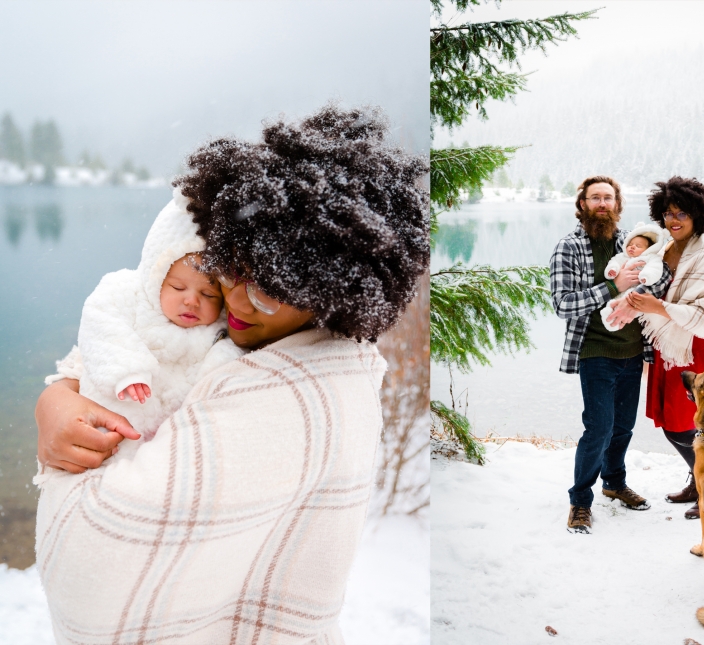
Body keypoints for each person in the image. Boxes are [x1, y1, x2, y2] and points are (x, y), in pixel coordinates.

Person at [33, 103, 429, 645]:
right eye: (232, 268)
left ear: (329, 292)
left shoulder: (290, 395)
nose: (236, 299)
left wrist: (60, 465)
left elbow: (98, 563)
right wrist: (59, 395)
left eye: (268, 290)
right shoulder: (271, 340)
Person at [37, 191, 245, 465]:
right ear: (156, 277)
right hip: (119, 421)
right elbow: (102, 321)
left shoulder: (221, 333)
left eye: (209, 295)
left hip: (171, 445)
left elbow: (223, 367)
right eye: (178, 287)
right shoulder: (130, 296)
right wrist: (127, 370)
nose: (192, 301)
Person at [550, 175, 671, 534]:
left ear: (617, 206)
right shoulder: (568, 247)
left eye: (608, 198)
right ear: (582, 205)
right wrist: (611, 287)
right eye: (594, 198)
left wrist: (648, 283)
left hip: (633, 351)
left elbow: (660, 277)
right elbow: (562, 305)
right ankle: (580, 501)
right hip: (595, 351)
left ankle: (614, 483)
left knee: (622, 427)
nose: (602, 204)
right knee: (598, 427)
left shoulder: (632, 245)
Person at [626, 176, 704, 520]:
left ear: (697, 216)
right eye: (667, 213)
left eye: (681, 213)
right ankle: (700, 478)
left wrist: (656, 309)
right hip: (672, 345)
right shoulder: (660, 250)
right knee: (675, 424)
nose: (673, 220)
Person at [600, 221, 668, 332]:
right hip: (619, 291)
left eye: (638, 246)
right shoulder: (622, 256)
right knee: (613, 302)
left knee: (631, 297)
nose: (632, 247)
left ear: (648, 249)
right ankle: (609, 315)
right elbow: (614, 262)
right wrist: (612, 270)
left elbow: (655, 268)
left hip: (636, 289)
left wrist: (647, 276)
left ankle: (616, 320)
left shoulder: (650, 258)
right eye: (630, 244)